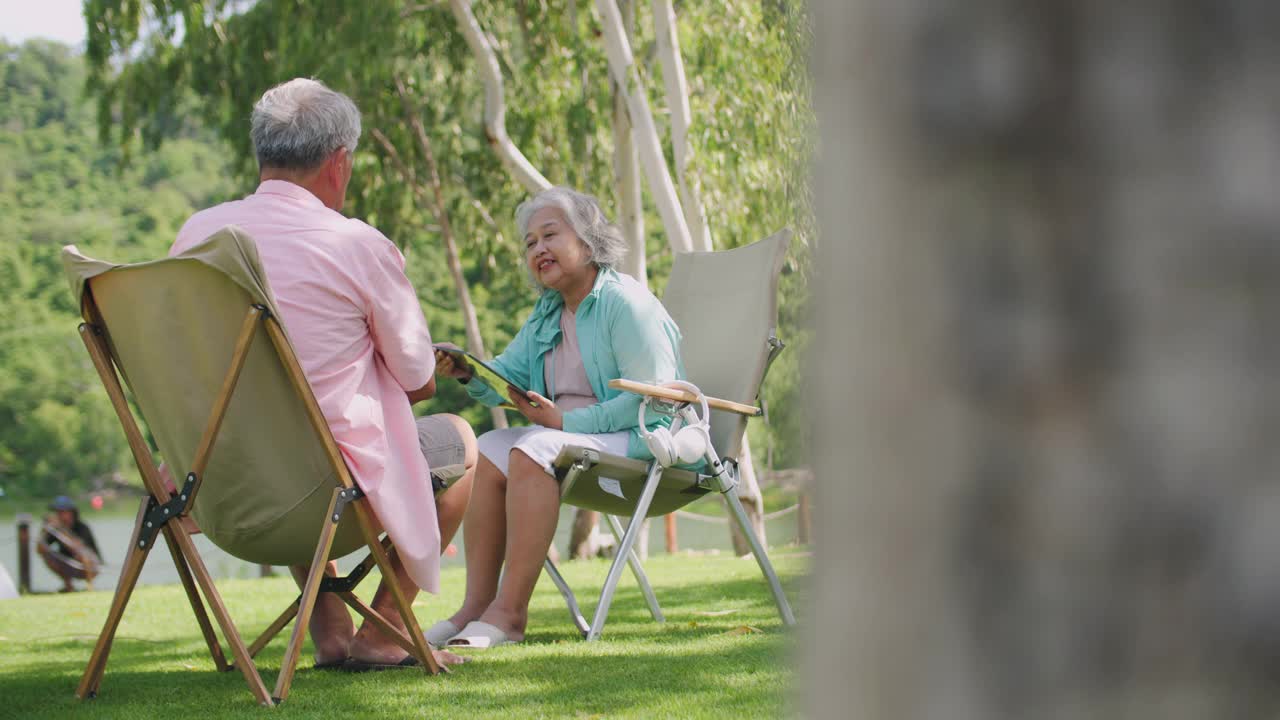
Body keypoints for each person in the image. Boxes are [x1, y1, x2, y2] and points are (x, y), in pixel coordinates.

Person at [171, 78, 475, 670]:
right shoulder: (355, 244)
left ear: (263, 155)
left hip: (216, 487)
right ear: (339, 163)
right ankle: (384, 636)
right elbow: (419, 382)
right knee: (460, 445)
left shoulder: (196, 236)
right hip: (324, 495)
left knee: (281, 427)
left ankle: (332, 634)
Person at [428, 186, 685, 648]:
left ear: (588, 243)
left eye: (550, 235)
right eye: (529, 243)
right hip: (569, 443)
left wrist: (565, 425)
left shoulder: (627, 304)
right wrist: (468, 368)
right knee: (488, 449)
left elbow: (655, 401)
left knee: (531, 448)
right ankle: (475, 607)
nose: (538, 249)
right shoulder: (547, 311)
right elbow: (506, 376)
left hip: (642, 442)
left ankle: (509, 615)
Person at [37, 496, 103, 592]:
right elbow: (39, 549)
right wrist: (45, 530)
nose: (59, 515)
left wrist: (63, 530)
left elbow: (78, 548)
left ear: (71, 512)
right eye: (57, 512)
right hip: (69, 566)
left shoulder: (82, 527)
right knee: (47, 555)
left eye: (62, 512)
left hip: (91, 567)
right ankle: (68, 586)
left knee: (82, 555)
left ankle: (90, 587)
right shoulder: (55, 530)